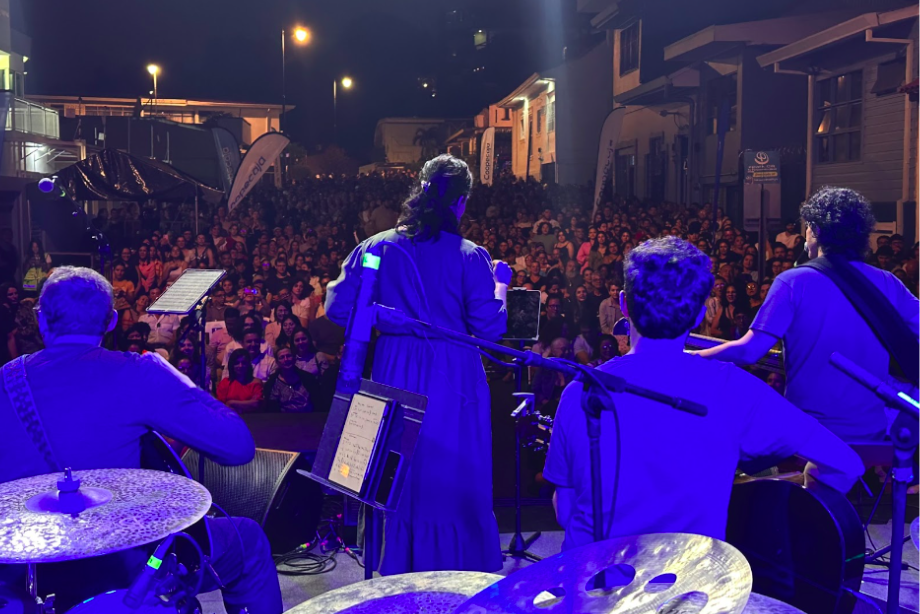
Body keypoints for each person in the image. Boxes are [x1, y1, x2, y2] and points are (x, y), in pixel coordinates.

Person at [544, 237, 863, 551]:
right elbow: (845, 465)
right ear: (699, 314)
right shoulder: (732, 387)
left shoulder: (579, 391)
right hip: (692, 579)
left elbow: (566, 512)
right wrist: (791, 519)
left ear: (624, 304)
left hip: (592, 578)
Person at [0, 267, 282, 614]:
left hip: (21, 574)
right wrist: (181, 382)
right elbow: (237, 446)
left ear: (41, 319)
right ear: (112, 321)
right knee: (248, 539)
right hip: (120, 570)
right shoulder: (136, 372)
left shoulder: (5, 379)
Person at [325, 154, 509, 575]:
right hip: (453, 372)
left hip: (394, 366)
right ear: (461, 202)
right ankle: (453, 567)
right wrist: (502, 283)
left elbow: (337, 308)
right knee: (450, 470)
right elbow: (491, 327)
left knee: (401, 470)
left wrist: (381, 317)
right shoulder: (470, 256)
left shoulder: (377, 246)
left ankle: (399, 563)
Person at [696, 187, 919, 441]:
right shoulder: (888, 283)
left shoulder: (793, 281)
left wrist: (692, 356)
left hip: (810, 436)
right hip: (871, 434)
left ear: (816, 230)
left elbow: (749, 351)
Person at [262, 346, 318, 412]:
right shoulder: (272, 382)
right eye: (282, 357)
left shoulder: (308, 378)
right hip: (281, 417)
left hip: (308, 416)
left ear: (294, 358)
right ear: (277, 362)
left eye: (288, 356)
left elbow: (317, 402)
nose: (286, 359)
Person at [216, 348, 264, 413]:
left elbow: (256, 404)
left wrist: (232, 403)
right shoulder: (225, 383)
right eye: (237, 363)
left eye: (243, 363)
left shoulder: (255, 382)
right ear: (232, 365)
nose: (240, 366)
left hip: (252, 417)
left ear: (248, 365)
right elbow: (221, 406)